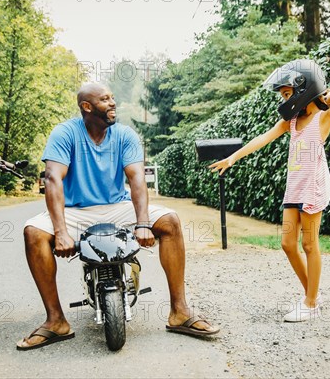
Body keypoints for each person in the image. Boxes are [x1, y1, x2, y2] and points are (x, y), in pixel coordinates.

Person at [17, 83, 219, 350]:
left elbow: (136, 179)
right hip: (75, 209)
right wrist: (61, 230)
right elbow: (53, 178)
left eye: (113, 98)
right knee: (33, 232)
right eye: (105, 99)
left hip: (116, 206)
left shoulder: (124, 135)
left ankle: (179, 312)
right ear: (86, 107)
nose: (113, 103)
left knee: (170, 221)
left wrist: (144, 223)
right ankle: (56, 321)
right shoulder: (65, 133)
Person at [209, 60, 330, 322]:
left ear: (304, 89)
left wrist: (329, 94)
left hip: (312, 188)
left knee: (309, 244)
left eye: (287, 94)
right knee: (287, 244)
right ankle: (313, 298)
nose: (284, 100)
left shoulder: (323, 118)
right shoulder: (292, 122)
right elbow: (262, 138)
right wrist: (233, 157)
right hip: (294, 188)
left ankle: (309, 302)